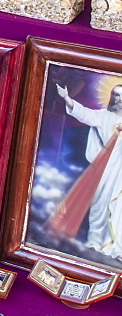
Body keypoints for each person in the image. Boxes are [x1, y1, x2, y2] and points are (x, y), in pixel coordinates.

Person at [47, 83, 122, 258]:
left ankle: (116, 246)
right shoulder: (103, 116)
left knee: (119, 207)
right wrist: (66, 98)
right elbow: (83, 113)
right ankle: (95, 241)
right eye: (116, 95)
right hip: (105, 169)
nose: (119, 99)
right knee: (99, 204)